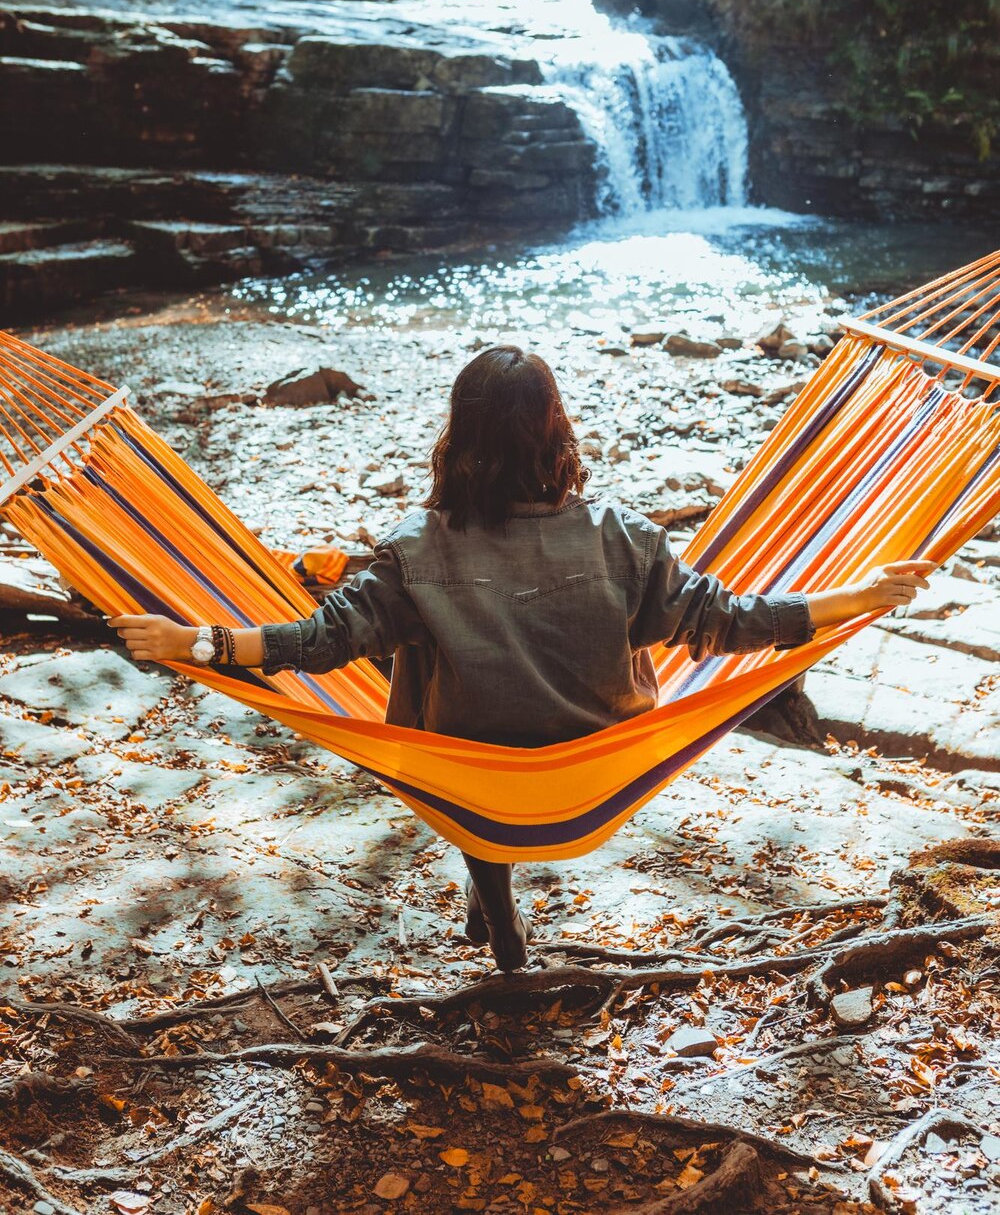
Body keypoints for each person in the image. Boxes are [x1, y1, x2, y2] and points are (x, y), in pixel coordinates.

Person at [111, 345, 935, 972]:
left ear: (459, 433)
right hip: (597, 757)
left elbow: (319, 642)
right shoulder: (625, 538)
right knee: (486, 693)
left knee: (450, 708)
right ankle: (494, 902)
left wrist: (199, 641)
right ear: (555, 431)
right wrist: (860, 595)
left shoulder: (416, 550)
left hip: (471, 766)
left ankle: (497, 910)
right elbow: (732, 622)